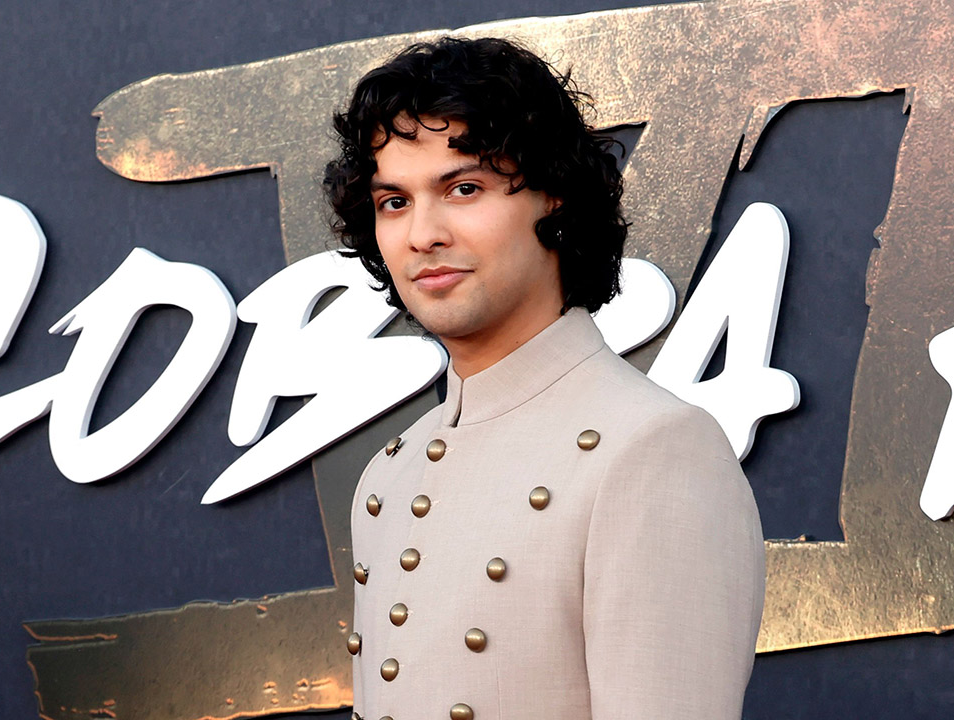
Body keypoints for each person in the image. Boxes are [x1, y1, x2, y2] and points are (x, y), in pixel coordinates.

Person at [324, 36, 764, 720]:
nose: (423, 234)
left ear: (554, 197)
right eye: (394, 202)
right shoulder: (390, 474)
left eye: (463, 188)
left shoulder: (656, 451)